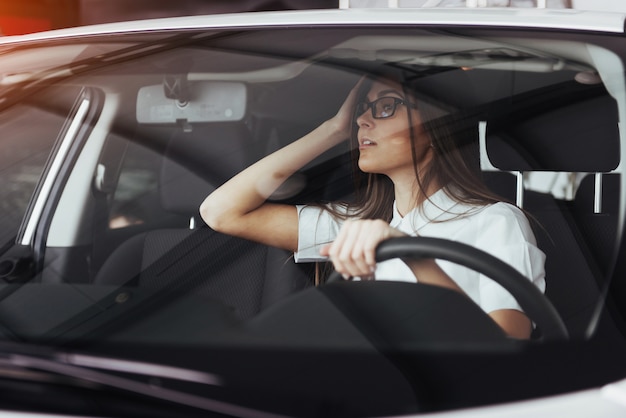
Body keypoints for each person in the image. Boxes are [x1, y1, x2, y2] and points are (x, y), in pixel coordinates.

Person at [200, 74, 546, 339]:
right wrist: (333, 130)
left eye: (385, 106)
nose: (363, 121)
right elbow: (221, 212)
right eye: (362, 110)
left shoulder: (497, 221)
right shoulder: (355, 224)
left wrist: (413, 256)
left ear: (439, 122)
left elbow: (506, 347)